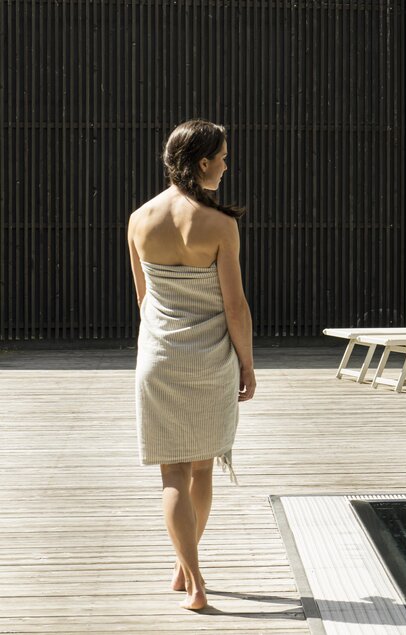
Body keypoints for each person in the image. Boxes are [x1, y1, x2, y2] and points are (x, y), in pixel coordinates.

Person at [128, 119, 255, 611]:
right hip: (211, 360)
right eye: (222, 157)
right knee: (202, 469)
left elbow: (144, 300)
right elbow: (235, 306)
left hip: (159, 358)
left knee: (172, 474)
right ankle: (193, 573)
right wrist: (247, 365)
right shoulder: (219, 224)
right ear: (202, 162)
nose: (226, 165)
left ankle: (189, 575)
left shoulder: (140, 219)